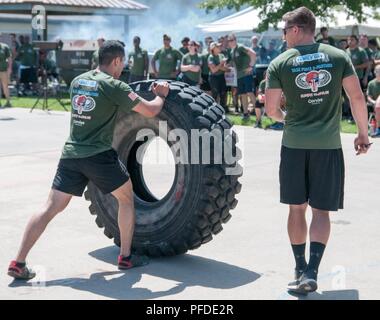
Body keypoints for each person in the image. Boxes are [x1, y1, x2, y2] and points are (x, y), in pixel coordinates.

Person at [7, 40, 170, 281]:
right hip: (98, 155)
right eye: (122, 63)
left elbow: (96, 108)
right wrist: (161, 95)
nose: (122, 67)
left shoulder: (78, 81)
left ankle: (18, 262)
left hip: (71, 155)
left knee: (49, 208)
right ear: (116, 61)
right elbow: (150, 111)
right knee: (127, 199)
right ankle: (126, 257)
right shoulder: (115, 85)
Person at [265, 6, 371, 295]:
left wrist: (288, 117)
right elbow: (357, 97)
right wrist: (363, 132)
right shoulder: (339, 57)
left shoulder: (280, 63)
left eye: (285, 30)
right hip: (328, 146)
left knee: (296, 208)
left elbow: (271, 110)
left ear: (297, 29)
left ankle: (299, 267)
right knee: (321, 211)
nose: (283, 35)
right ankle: (312, 270)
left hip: (294, 145)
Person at [228, 33, 257, 120]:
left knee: (249, 92)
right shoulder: (232, 51)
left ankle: (258, 111)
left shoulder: (240, 47)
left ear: (235, 40)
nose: (230, 42)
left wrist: (251, 66)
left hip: (247, 74)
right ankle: (245, 113)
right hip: (239, 76)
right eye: (229, 40)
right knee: (243, 94)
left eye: (232, 40)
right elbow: (234, 64)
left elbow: (253, 53)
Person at [208, 42, 228, 112]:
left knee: (223, 93)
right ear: (213, 49)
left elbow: (226, 69)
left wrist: (218, 66)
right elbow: (213, 70)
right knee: (215, 94)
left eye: (220, 46)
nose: (220, 48)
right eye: (218, 47)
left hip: (221, 76)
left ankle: (223, 110)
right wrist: (221, 64)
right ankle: (214, 110)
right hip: (214, 77)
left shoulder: (221, 55)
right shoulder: (211, 57)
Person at [367, 64, 380, 137]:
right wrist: (373, 102)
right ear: (375, 72)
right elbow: (369, 97)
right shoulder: (371, 83)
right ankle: (377, 128)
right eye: (378, 71)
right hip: (374, 104)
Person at [0, 41, 12, 108]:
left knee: (5, 86)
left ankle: (8, 102)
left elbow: (9, 58)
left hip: (4, 70)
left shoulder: (5, 46)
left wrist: (10, 68)